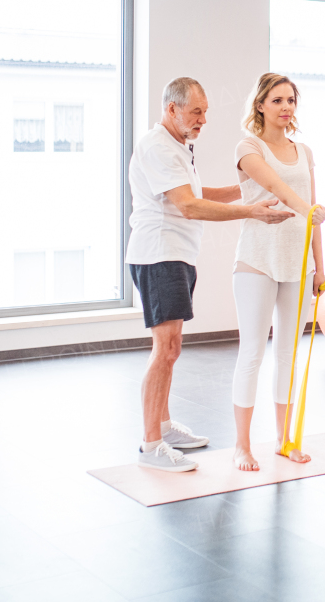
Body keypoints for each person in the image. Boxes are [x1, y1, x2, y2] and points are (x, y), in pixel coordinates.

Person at [128, 77, 293, 473]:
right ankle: (151, 445)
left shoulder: (179, 146)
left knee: (172, 349)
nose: (203, 120)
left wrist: (247, 188)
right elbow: (189, 207)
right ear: (172, 110)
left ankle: (163, 427)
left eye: (205, 112)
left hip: (177, 256)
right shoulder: (157, 147)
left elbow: (199, 194)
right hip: (159, 255)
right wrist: (253, 211)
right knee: (164, 349)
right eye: (196, 112)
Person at [231, 72, 325, 471]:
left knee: (287, 353)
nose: (286, 107)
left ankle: (285, 439)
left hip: (297, 264)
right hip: (256, 261)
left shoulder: (303, 152)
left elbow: (313, 212)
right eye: (277, 101)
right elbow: (279, 189)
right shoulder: (248, 147)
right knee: (253, 352)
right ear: (260, 105)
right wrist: (307, 209)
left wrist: (321, 267)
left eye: (291, 100)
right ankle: (241, 446)